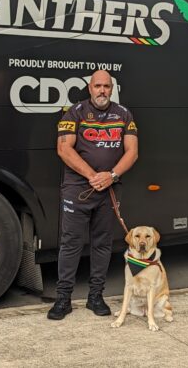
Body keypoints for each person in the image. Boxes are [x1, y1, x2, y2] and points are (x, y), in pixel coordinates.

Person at [47, 70, 138, 320]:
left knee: (102, 243)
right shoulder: (74, 112)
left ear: (112, 88)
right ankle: (63, 299)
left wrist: (111, 175)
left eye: (106, 86)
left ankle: (95, 297)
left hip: (109, 189)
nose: (102, 91)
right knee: (70, 243)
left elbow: (132, 152)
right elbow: (64, 149)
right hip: (78, 189)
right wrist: (92, 175)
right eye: (98, 86)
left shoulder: (123, 114)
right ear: (90, 88)